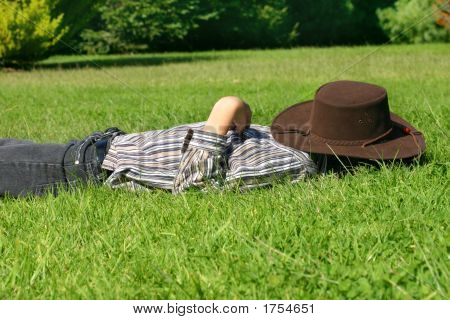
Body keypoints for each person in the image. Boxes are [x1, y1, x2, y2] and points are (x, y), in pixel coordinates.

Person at [0, 80, 425, 198]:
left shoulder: (296, 163)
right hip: (98, 147)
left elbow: (196, 183)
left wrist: (222, 113)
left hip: (86, 168)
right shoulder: (295, 142)